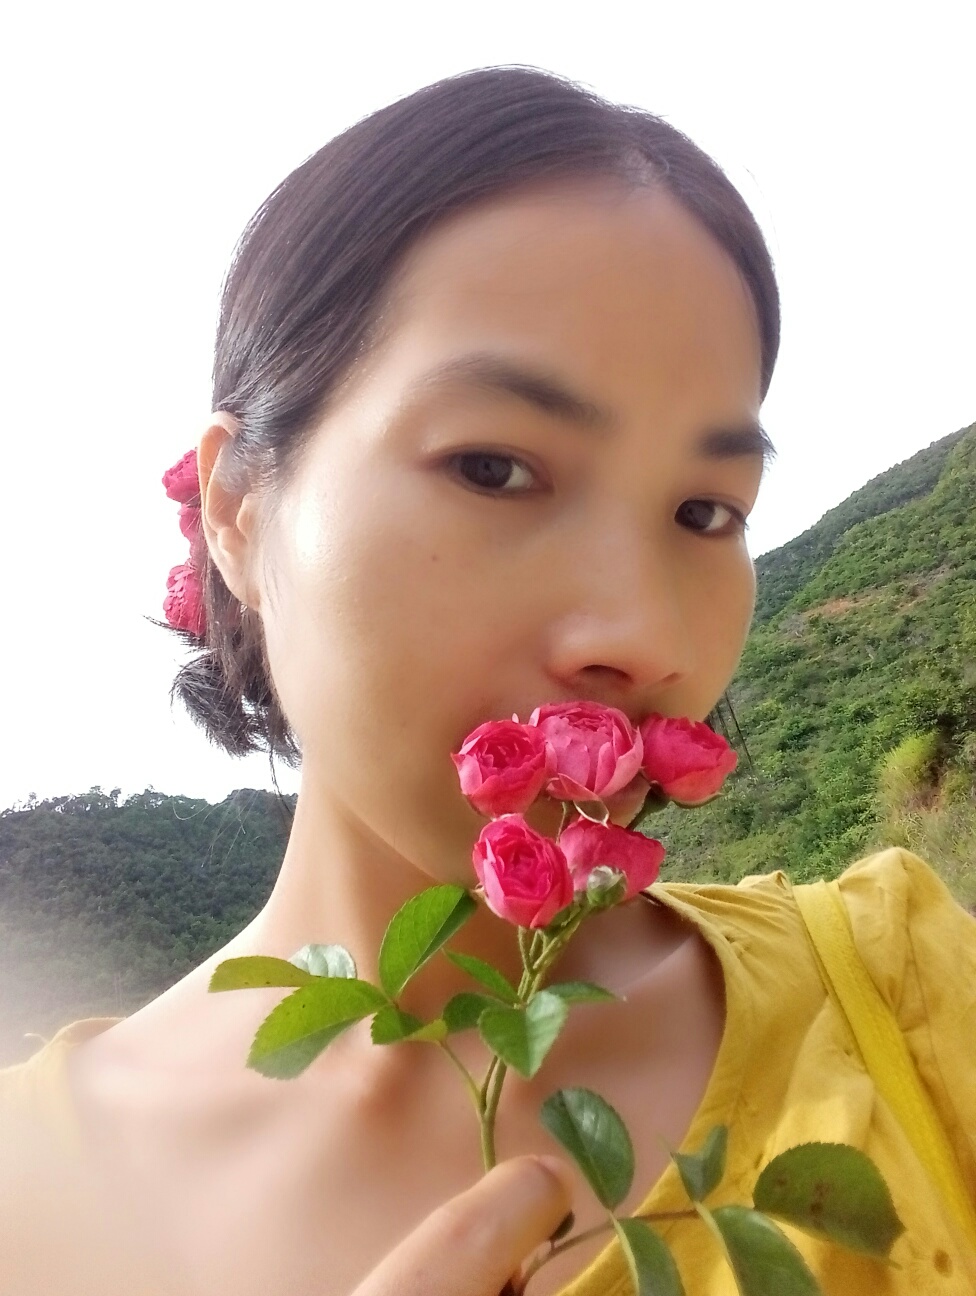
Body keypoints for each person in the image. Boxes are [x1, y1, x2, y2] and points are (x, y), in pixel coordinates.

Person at [1, 66, 974, 1296]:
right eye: (494, 469)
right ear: (240, 507)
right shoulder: (31, 1202)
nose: (640, 632)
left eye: (704, 510)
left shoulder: (906, 1005)